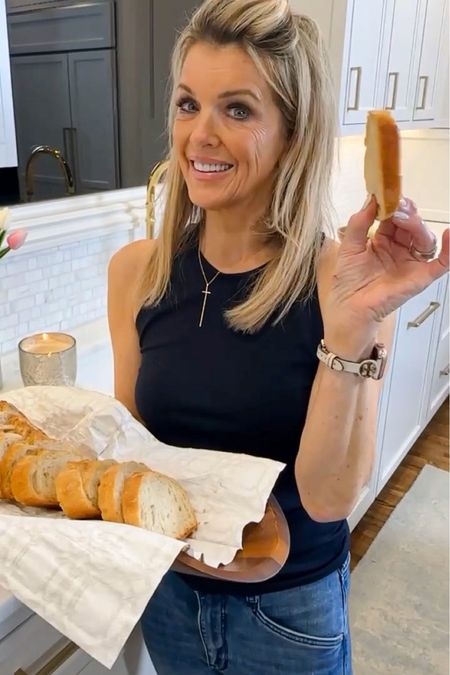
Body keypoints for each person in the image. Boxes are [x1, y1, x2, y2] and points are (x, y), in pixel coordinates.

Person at [107, 1, 449, 672]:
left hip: (287, 613)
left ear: (293, 134)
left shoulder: (342, 281)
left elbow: (328, 498)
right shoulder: (135, 274)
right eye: (187, 104)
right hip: (169, 595)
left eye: (237, 109)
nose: (199, 134)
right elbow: (134, 453)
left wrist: (352, 331)